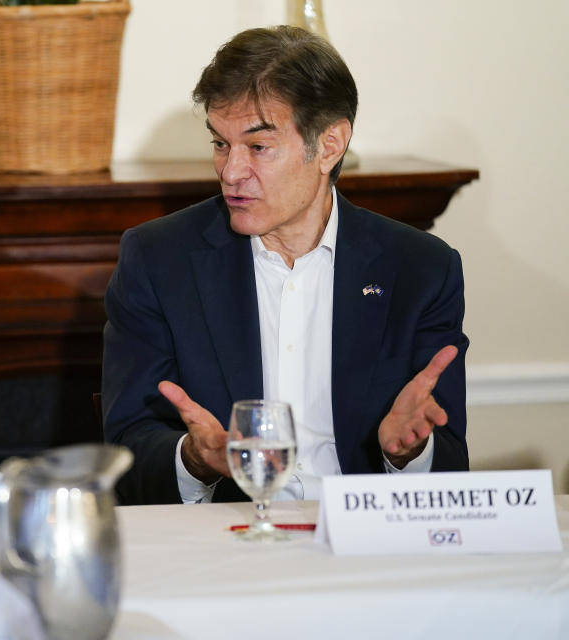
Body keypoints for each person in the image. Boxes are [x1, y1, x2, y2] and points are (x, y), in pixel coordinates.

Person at [102, 26, 468, 505]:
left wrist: (410, 454)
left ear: (330, 145)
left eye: (258, 147)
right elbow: (128, 447)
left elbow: (451, 467)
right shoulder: (158, 259)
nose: (231, 172)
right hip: (230, 540)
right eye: (219, 143)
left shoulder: (421, 270)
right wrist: (192, 457)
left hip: (361, 541)